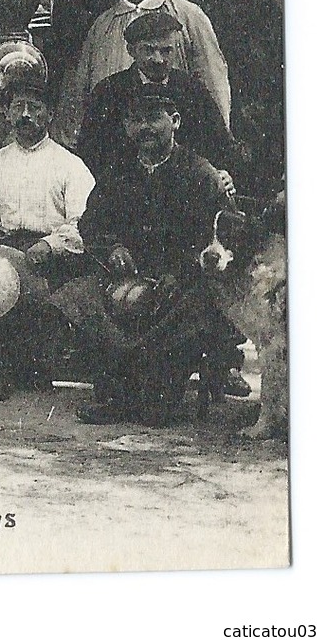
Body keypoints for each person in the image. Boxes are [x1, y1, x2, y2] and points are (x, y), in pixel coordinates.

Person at [62, 90, 232, 427]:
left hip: (183, 281)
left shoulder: (200, 173)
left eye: (153, 118)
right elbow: (92, 222)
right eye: (136, 120)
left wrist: (182, 269)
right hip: (126, 275)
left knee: (189, 314)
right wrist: (111, 248)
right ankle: (117, 395)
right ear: (126, 127)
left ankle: (160, 393)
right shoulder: (116, 173)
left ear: (175, 122)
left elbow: (219, 234)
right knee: (82, 296)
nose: (145, 128)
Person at [0, 73, 95, 399]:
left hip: (50, 254)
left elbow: (85, 223)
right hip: (2, 248)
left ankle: (33, 366)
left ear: (50, 114)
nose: (26, 115)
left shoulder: (69, 165)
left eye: (35, 107)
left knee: (36, 292)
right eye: (18, 108)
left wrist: (50, 244)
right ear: (8, 114)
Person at [55, 0, 231, 144]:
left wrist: (218, 143)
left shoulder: (188, 16)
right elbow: (81, 91)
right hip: (116, 147)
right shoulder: (101, 26)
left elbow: (213, 83)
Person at [75, 10, 237, 185]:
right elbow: (91, 154)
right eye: (149, 50)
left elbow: (220, 146)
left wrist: (224, 174)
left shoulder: (193, 90)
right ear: (131, 50)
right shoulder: (108, 93)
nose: (158, 59)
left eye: (166, 51)